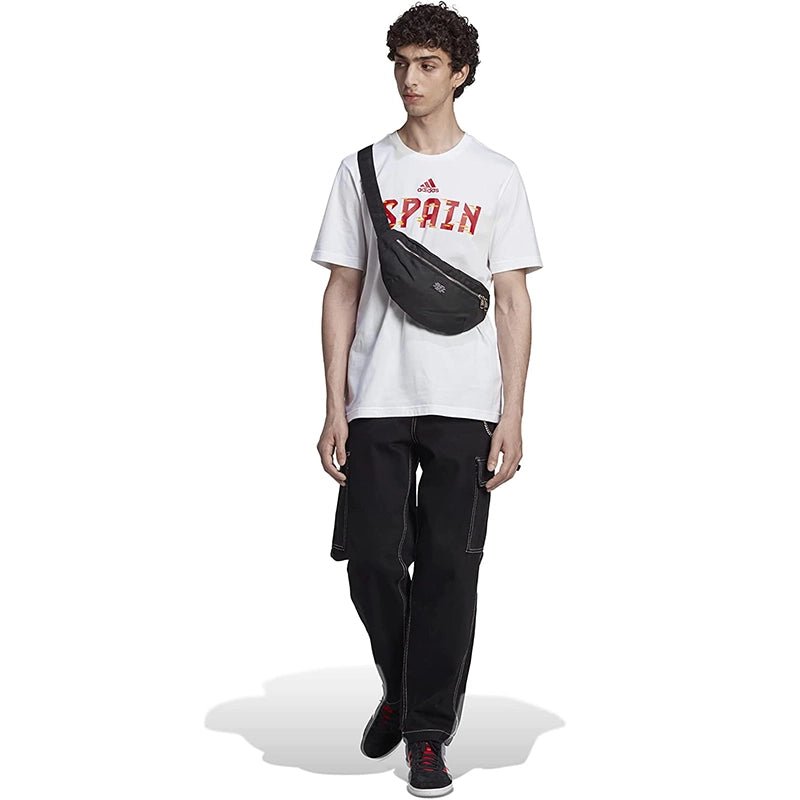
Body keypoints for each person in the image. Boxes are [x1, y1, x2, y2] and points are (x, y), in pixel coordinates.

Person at [309, 3, 543, 795]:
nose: (411, 79)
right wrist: (334, 404)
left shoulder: (496, 175)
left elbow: (511, 299)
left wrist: (514, 414)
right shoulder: (361, 168)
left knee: (450, 567)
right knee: (372, 557)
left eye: (428, 65)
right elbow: (342, 289)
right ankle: (406, 687)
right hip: (376, 395)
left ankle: (426, 732)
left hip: (466, 399)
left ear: (460, 73)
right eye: (402, 63)